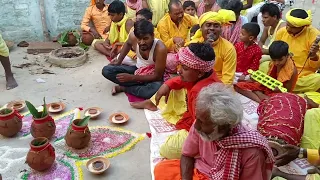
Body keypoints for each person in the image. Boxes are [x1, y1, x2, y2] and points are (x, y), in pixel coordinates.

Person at [154, 83, 275, 180]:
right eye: (198, 119)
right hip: (201, 171)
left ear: (222, 127)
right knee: (162, 169)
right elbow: (187, 155)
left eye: (203, 123)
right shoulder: (201, 125)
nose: (196, 126)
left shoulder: (252, 152)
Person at [131, 43, 221, 131]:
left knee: (168, 146)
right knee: (172, 85)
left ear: (200, 73)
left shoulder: (200, 93)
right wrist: (167, 85)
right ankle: (152, 103)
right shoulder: (204, 74)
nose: (179, 71)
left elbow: (199, 126)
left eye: (185, 68)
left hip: (203, 128)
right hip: (196, 114)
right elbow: (179, 80)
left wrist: (182, 124)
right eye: (180, 66)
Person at [102, 20, 167, 99]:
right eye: (139, 39)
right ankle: (140, 86)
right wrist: (119, 61)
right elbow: (128, 43)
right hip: (137, 70)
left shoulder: (160, 48)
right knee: (107, 70)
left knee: (156, 88)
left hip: (152, 76)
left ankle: (125, 88)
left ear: (153, 36)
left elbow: (157, 77)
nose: (142, 42)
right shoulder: (133, 36)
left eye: (145, 38)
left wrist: (132, 78)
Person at [275, 8, 320, 93]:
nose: (288, 29)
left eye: (292, 27)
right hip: (280, 68)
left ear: (303, 27)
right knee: (264, 64)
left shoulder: (314, 35)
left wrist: (314, 55)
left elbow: (315, 67)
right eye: (287, 25)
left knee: (318, 79)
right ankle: (287, 87)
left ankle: (284, 86)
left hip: (302, 76)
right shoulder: (282, 31)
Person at [188, 10, 237, 85]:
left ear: (221, 29)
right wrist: (205, 46)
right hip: (195, 81)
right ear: (201, 28)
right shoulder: (193, 44)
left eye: (216, 26)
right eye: (208, 25)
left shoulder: (229, 48)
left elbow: (228, 78)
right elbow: (187, 70)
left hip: (217, 85)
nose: (212, 28)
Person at [157, 0, 197, 73]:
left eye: (181, 12)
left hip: (189, 49)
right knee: (169, 60)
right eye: (176, 14)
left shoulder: (187, 17)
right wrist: (173, 40)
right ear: (169, 13)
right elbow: (163, 47)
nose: (180, 15)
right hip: (173, 54)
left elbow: (199, 25)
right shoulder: (162, 24)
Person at [258, 3, 286, 73]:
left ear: (275, 17)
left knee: (257, 60)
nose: (263, 20)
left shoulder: (282, 27)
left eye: (265, 17)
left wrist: (263, 51)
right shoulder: (267, 26)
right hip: (269, 51)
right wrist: (259, 49)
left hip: (278, 54)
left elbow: (280, 50)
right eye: (262, 17)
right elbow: (261, 41)